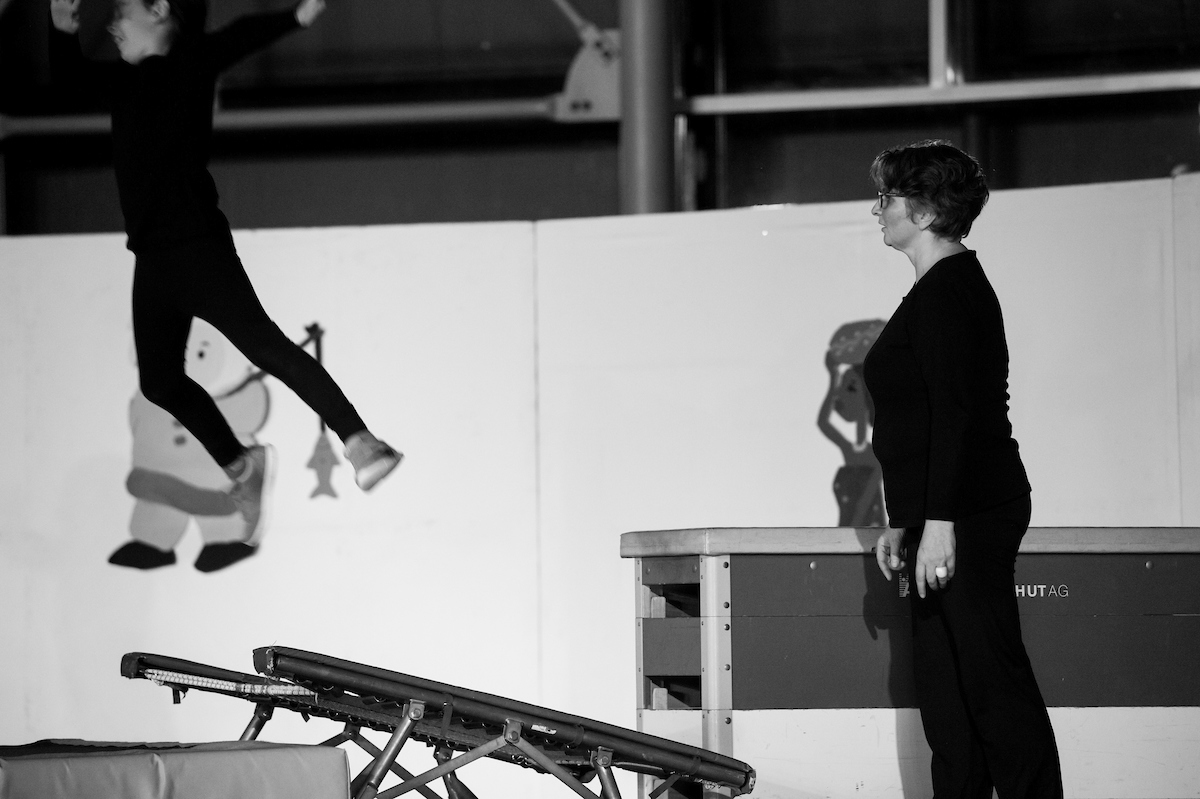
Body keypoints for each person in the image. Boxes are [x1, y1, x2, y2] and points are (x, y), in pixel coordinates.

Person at [49, 0, 401, 570]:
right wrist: (62, 32)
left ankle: (361, 441)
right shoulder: (124, 83)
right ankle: (241, 466)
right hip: (152, 261)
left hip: (197, 249)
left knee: (266, 346)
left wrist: (298, 15)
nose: (112, 24)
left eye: (124, 11)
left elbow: (239, 37)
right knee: (160, 382)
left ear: (159, 11)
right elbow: (73, 80)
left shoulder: (188, 62)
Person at [862, 140, 1063, 798]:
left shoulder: (950, 291)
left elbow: (955, 415)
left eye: (887, 197)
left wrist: (941, 522)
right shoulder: (935, 289)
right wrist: (906, 520)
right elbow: (921, 419)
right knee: (947, 701)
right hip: (942, 515)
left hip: (970, 511)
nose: (877, 210)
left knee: (991, 686)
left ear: (924, 211)